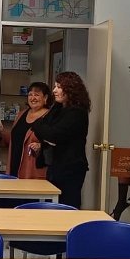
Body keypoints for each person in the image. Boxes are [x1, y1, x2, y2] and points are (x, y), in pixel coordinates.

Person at [30, 71, 90, 208]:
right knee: (51, 204)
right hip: (55, 164)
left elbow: (52, 135)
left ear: (70, 89)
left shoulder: (76, 112)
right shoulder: (60, 108)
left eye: (59, 87)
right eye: (55, 86)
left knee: (67, 205)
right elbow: (43, 128)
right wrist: (44, 129)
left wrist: (43, 130)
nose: (54, 91)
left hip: (70, 168)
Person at [0, 82, 51, 179]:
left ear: (45, 97)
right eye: (30, 94)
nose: (32, 98)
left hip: (33, 171)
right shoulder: (21, 114)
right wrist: (2, 131)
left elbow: (55, 143)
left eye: (36, 95)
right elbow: (15, 139)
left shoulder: (50, 117)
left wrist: (40, 146)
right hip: (14, 168)